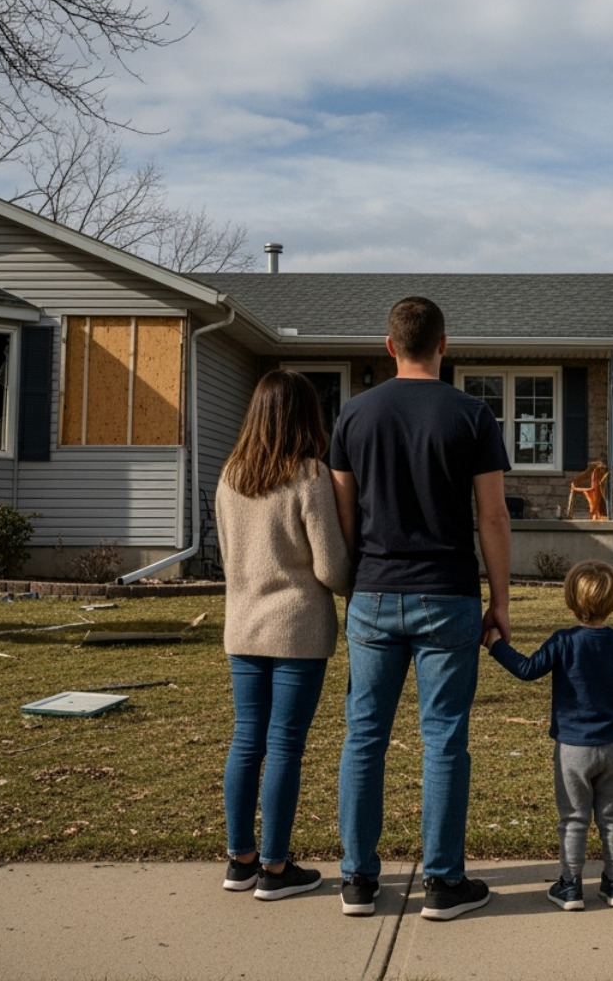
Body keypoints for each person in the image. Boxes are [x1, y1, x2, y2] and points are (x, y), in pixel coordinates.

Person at [329, 295, 513, 921]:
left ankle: (356, 881)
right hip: (449, 594)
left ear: (389, 347)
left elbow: (345, 518)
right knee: (444, 742)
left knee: (364, 738)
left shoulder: (352, 415)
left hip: (374, 593)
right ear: (444, 344)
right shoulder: (472, 415)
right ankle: (442, 883)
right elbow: (492, 516)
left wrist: (359, 583)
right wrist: (501, 601)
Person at [216, 370, 351, 900]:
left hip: (242, 622)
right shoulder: (309, 475)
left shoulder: (231, 474)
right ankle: (275, 867)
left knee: (247, 739)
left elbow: (230, 555)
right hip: (298, 627)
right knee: (285, 745)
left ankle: (240, 859)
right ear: (305, 416)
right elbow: (332, 567)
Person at [483, 560, 613, 911]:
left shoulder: (564, 641)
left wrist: (495, 645)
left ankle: (570, 885)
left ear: (571, 600)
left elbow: (527, 670)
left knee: (574, 817)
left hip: (573, 748)